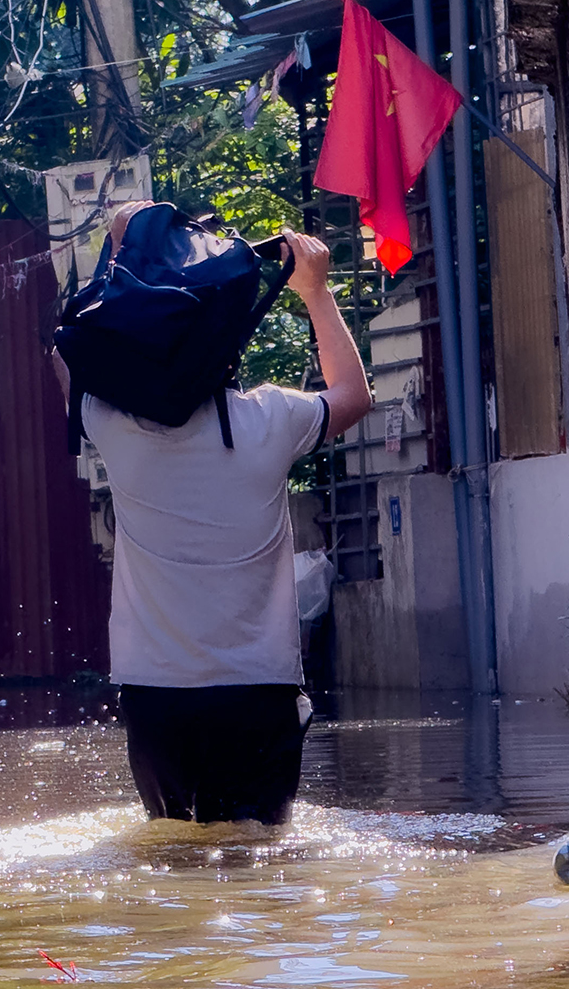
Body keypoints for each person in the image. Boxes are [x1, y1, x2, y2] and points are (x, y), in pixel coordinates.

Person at [58, 201, 372, 824]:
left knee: (174, 868)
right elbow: (353, 396)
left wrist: (128, 246)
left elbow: (76, 344)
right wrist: (314, 293)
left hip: (155, 695)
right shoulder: (272, 420)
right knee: (259, 867)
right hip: (258, 694)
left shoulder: (110, 425)